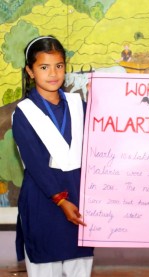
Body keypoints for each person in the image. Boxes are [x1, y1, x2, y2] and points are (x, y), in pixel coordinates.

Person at [12, 36, 94, 277]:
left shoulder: (79, 105)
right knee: (44, 269)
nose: (53, 73)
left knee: (79, 268)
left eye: (59, 66)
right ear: (30, 71)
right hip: (43, 202)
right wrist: (60, 201)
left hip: (79, 199)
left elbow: (113, 121)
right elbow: (36, 165)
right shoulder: (24, 112)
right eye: (44, 67)